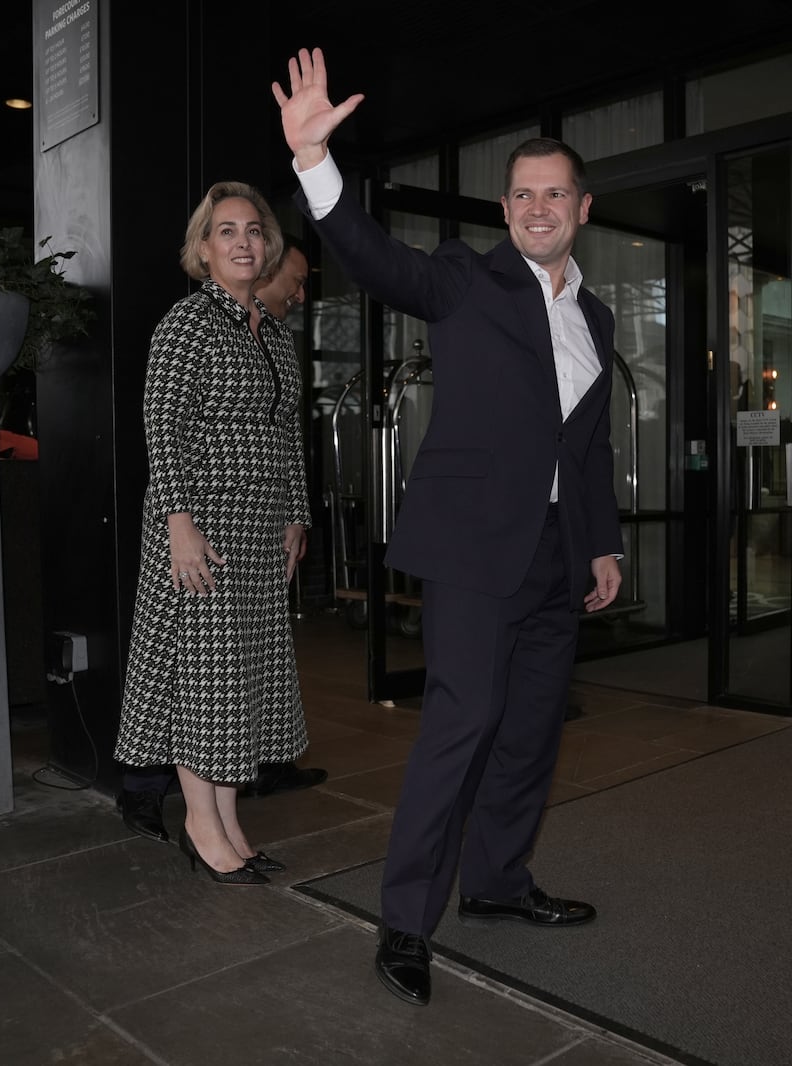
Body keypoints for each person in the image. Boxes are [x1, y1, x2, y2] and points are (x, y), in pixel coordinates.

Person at [272, 48, 623, 1001]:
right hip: (473, 553)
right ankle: (404, 922)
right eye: (522, 194)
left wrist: (603, 543)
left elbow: (585, 445)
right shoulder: (468, 280)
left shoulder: (595, 318)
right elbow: (375, 256)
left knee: (531, 734)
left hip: (555, 558)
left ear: (582, 208)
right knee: (459, 730)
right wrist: (314, 163)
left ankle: (499, 887)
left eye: (555, 193)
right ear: (506, 210)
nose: (538, 207)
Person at [113, 181, 313, 885]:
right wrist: (179, 524)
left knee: (241, 678)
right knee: (204, 680)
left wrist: (298, 514)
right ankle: (200, 826)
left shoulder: (274, 329)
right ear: (203, 248)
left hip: (261, 527)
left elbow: (287, 430)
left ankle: (229, 822)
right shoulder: (186, 324)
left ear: (269, 246)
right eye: (226, 231)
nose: (242, 242)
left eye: (254, 231)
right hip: (202, 520)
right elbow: (161, 429)